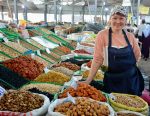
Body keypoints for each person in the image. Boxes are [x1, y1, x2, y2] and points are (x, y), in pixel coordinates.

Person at [84, 5, 144, 96]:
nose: (118, 21)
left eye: (121, 18)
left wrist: (128, 70)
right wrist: (88, 80)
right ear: (110, 19)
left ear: (126, 20)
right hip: (112, 81)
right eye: (115, 18)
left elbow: (137, 56)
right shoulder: (102, 35)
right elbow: (97, 60)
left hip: (130, 81)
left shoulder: (130, 37)